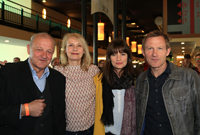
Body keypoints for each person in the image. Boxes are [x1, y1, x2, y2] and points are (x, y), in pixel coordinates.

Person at [135, 30, 200, 135]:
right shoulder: (141, 80)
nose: (154, 54)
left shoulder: (189, 77)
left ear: (167, 51)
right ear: (143, 52)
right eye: (150, 48)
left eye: (160, 48)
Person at [0, 33, 66, 135]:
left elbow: (60, 117)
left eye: (49, 51)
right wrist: (25, 109)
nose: (44, 55)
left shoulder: (59, 78)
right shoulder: (7, 72)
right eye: (39, 49)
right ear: (28, 49)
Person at [55, 33, 100, 135]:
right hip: (65, 130)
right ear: (65, 50)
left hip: (90, 129)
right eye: (71, 45)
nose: (75, 48)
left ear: (84, 50)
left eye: (79, 45)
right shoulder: (58, 71)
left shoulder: (93, 70)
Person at [93, 38, 136, 135]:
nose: (118, 59)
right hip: (107, 131)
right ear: (109, 57)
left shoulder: (136, 80)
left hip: (130, 131)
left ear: (128, 57)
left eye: (123, 54)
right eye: (114, 54)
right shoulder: (99, 80)